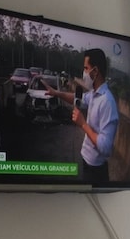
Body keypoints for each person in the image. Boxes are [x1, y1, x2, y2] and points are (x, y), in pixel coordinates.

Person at [42, 48, 118, 185]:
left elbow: (106, 148)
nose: (84, 73)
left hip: (96, 170)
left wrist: (83, 124)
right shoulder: (94, 94)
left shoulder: (107, 102)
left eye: (86, 68)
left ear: (95, 71)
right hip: (86, 161)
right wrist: (56, 93)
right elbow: (77, 99)